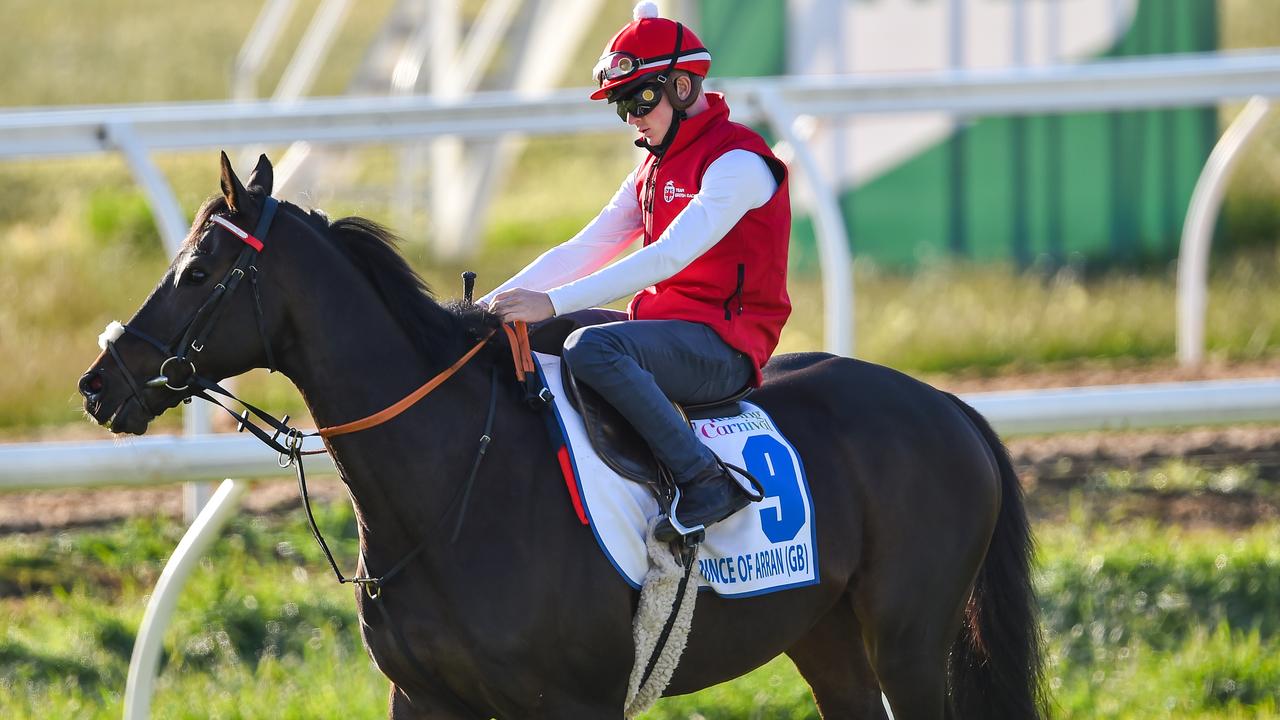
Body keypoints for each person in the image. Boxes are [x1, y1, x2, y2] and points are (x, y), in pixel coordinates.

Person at [480, 1, 791, 541]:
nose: (634, 117)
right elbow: (585, 247)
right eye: (622, 106)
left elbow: (668, 255)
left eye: (641, 97)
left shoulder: (738, 162)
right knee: (541, 334)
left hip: (726, 348)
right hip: (670, 331)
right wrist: (486, 309)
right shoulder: (652, 166)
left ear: (684, 87)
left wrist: (552, 301)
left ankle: (706, 480)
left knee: (590, 347)